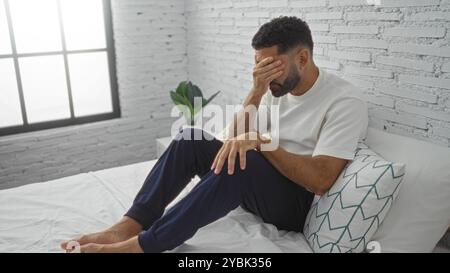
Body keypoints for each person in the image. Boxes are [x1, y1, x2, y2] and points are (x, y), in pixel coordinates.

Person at [61, 16, 368, 253]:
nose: (264, 74)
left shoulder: (343, 100)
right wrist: (257, 89)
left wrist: (262, 143)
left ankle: (144, 245)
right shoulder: (274, 86)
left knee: (245, 160)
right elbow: (230, 139)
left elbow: (322, 179)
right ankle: (130, 223)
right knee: (190, 138)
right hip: (258, 184)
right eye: (258, 67)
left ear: (302, 58)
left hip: (295, 204)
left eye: (271, 67)